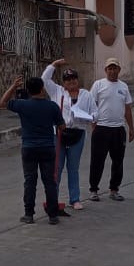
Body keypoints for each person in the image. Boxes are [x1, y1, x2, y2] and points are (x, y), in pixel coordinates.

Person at [0, 75, 64, 224]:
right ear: (42, 89)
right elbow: (62, 126)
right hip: (47, 147)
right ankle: (53, 215)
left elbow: (2, 103)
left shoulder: (22, 105)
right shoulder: (52, 106)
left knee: (30, 181)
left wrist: (13, 87)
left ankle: (29, 214)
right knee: (49, 182)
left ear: (28, 90)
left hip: (29, 148)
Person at [41, 59, 96, 209]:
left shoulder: (86, 95)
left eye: (73, 78)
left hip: (78, 133)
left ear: (77, 80)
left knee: (73, 167)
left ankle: (75, 199)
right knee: (57, 168)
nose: (71, 81)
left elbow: (95, 112)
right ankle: (53, 198)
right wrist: (53, 65)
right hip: (59, 133)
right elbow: (44, 79)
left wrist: (91, 118)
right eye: (67, 79)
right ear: (63, 82)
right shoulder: (57, 91)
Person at [88, 58, 134, 202]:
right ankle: (94, 190)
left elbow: (127, 109)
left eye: (115, 68)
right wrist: (93, 123)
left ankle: (114, 189)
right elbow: (92, 104)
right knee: (97, 161)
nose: (112, 71)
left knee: (118, 161)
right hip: (101, 128)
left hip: (118, 129)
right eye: (110, 68)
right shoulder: (98, 84)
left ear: (119, 70)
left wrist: (131, 128)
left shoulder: (123, 87)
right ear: (106, 70)